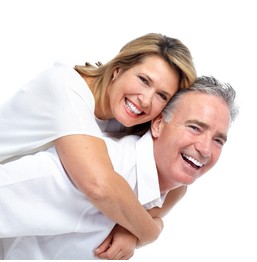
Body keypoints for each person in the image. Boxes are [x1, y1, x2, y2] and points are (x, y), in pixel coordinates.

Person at [0, 76, 239, 260]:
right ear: (157, 125)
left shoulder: (167, 187)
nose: (206, 149)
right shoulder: (91, 171)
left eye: (218, 139)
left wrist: (136, 231)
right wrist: (148, 232)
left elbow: (158, 211)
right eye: (195, 128)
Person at [0, 33, 197, 246]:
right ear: (118, 69)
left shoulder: (127, 118)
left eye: (162, 96)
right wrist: (150, 231)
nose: (146, 100)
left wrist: (128, 229)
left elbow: (174, 180)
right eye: (143, 80)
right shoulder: (64, 87)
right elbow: (98, 185)